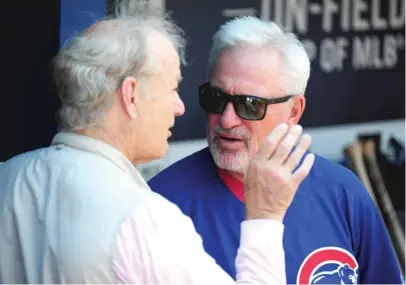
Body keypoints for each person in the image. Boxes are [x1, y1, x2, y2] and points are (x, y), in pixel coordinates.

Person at [0, 2, 316, 284]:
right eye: (171, 89)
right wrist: (263, 219)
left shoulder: (8, 177)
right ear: (131, 95)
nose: (179, 106)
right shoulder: (143, 219)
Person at [149, 16, 404, 284]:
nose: (226, 119)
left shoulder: (343, 194)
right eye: (216, 98)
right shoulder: (161, 204)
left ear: (293, 111)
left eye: (250, 104)